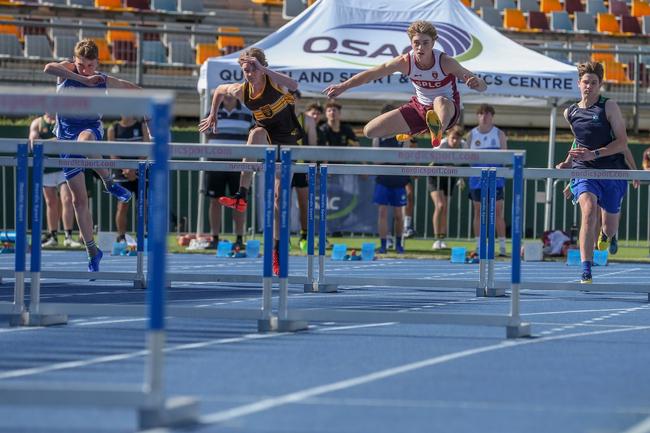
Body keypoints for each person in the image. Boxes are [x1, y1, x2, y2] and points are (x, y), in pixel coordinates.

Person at [198, 47, 302, 276]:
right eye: (245, 71)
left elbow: (294, 85)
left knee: (278, 201)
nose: (249, 75)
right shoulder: (241, 90)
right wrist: (213, 114)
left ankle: (277, 249)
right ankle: (241, 195)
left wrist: (264, 68)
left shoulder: (275, 83)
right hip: (266, 134)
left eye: (252, 71)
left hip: (287, 139)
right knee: (255, 133)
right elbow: (217, 90)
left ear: (262, 70)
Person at [44, 39, 141, 273]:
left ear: (97, 62)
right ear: (74, 61)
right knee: (78, 200)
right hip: (65, 138)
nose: (85, 69)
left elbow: (133, 89)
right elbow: (48, 68)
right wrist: (81, 78)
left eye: (90, 65)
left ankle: (108, 182)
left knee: (85, 142)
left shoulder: (103, 80)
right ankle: (92, 250)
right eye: (81, 64)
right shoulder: (67, 71)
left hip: (89, 130)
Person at [323, 20, 487, 147]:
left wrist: (476, 83)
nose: (420, 47)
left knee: (439, 100)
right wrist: (343, 86)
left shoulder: (445, 62)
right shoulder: (404, 62)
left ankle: (437, 131)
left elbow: (483, 86)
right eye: (416, 43)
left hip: (447, 109)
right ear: (411, 43)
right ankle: (417, 128)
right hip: (420, 108)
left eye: (425, 43)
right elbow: (371, 74)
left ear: (433, 43)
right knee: (370, 131)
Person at [561, 61, 631, 284]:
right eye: (585, 82)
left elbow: (622, 142)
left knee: (608, 227)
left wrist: (596, 154)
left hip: (611, 169)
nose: (588, 86)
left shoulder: (608, 106)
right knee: (589, 211)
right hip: (585, 170)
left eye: (593, 82)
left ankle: (607, 236)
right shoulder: (569, 112)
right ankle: (586, 269)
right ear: (578, 84)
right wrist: (568, 164)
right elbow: (579, 141)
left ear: (600, 85)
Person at [201, 94, 254, 250]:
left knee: (240, 202)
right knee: (214, 200)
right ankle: (215, 238)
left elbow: (253, 136)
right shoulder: (211, 112)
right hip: (215, 163)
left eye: (231, 93)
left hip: (240, 165)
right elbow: (206, 133)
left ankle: (239, 239)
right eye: (225, 93)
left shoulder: (247, 112)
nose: (228, 96)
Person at [29, 113, 83, 249]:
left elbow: (63, 139)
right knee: (50, 202)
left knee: (67, 199)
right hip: (46, 168)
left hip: (63, 166)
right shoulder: (37, 122)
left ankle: (68, 237)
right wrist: (46, 142)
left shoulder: (63, 119)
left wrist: (46, 142)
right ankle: (52, 236)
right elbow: (33, 143)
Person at [467, 104, 508, 257]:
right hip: (477, 179)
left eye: (487, 114)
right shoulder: (471, 135)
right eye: (481, 114)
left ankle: (502, 246)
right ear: (478, 116)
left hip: (496, 179)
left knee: (497, 212)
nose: (484, 117)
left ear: (492, 116)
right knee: (478, 212)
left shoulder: (499, 134)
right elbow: (467, 158)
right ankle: (478, 246)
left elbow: (505, 156)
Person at [372, 105, 411, 254]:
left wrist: (390, 158)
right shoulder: (377, 134)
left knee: (398, 214)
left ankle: (399, 244)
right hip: (383, 178)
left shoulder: (403, 134)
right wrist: (390, 158)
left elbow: (404, 157)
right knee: (382, 212)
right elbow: (376, 160)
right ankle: (383, 245)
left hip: (398, 179)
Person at [107, 115, 150, 244]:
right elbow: (112, 154)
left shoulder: (141, 126)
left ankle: (143, 235)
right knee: (122, 205)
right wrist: (126, 169)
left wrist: (135, 169)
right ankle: (121, 237)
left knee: (143, 204)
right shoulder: (113, 129)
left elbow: (146, 149)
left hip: (140, 171)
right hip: (121, 173)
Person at [429, 125, 466, 250]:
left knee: (445, 209)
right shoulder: (441, 144)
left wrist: (461, 177)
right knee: (440, 206)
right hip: (435, 176)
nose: (455, 141)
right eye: (453, 138)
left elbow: (464, 164)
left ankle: (442, 239)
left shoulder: (463, 146)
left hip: (450, 178)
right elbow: (431, 162)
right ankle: (436, 239)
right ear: (448, 136)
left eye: (458, 139)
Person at [293, 98, 321, 251]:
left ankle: (305, 236)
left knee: (304, 203)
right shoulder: (278, 116)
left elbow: (313, 145)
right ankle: (281, 239)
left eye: (293, 96)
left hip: (301, 166)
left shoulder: (307, 119)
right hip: (282, 165)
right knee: (281, 202)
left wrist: (312, 168)